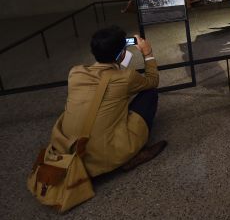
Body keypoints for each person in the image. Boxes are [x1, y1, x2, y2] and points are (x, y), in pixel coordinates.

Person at [49, 26, 166, 177]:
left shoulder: (75, 72)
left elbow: (106, 77)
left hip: (69, 150)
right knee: (149, 93)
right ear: (122, 54)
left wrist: (117, 60)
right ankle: (133, 154)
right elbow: (152, 80)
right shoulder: (126, 77)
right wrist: (147, 53)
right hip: (105, 154)